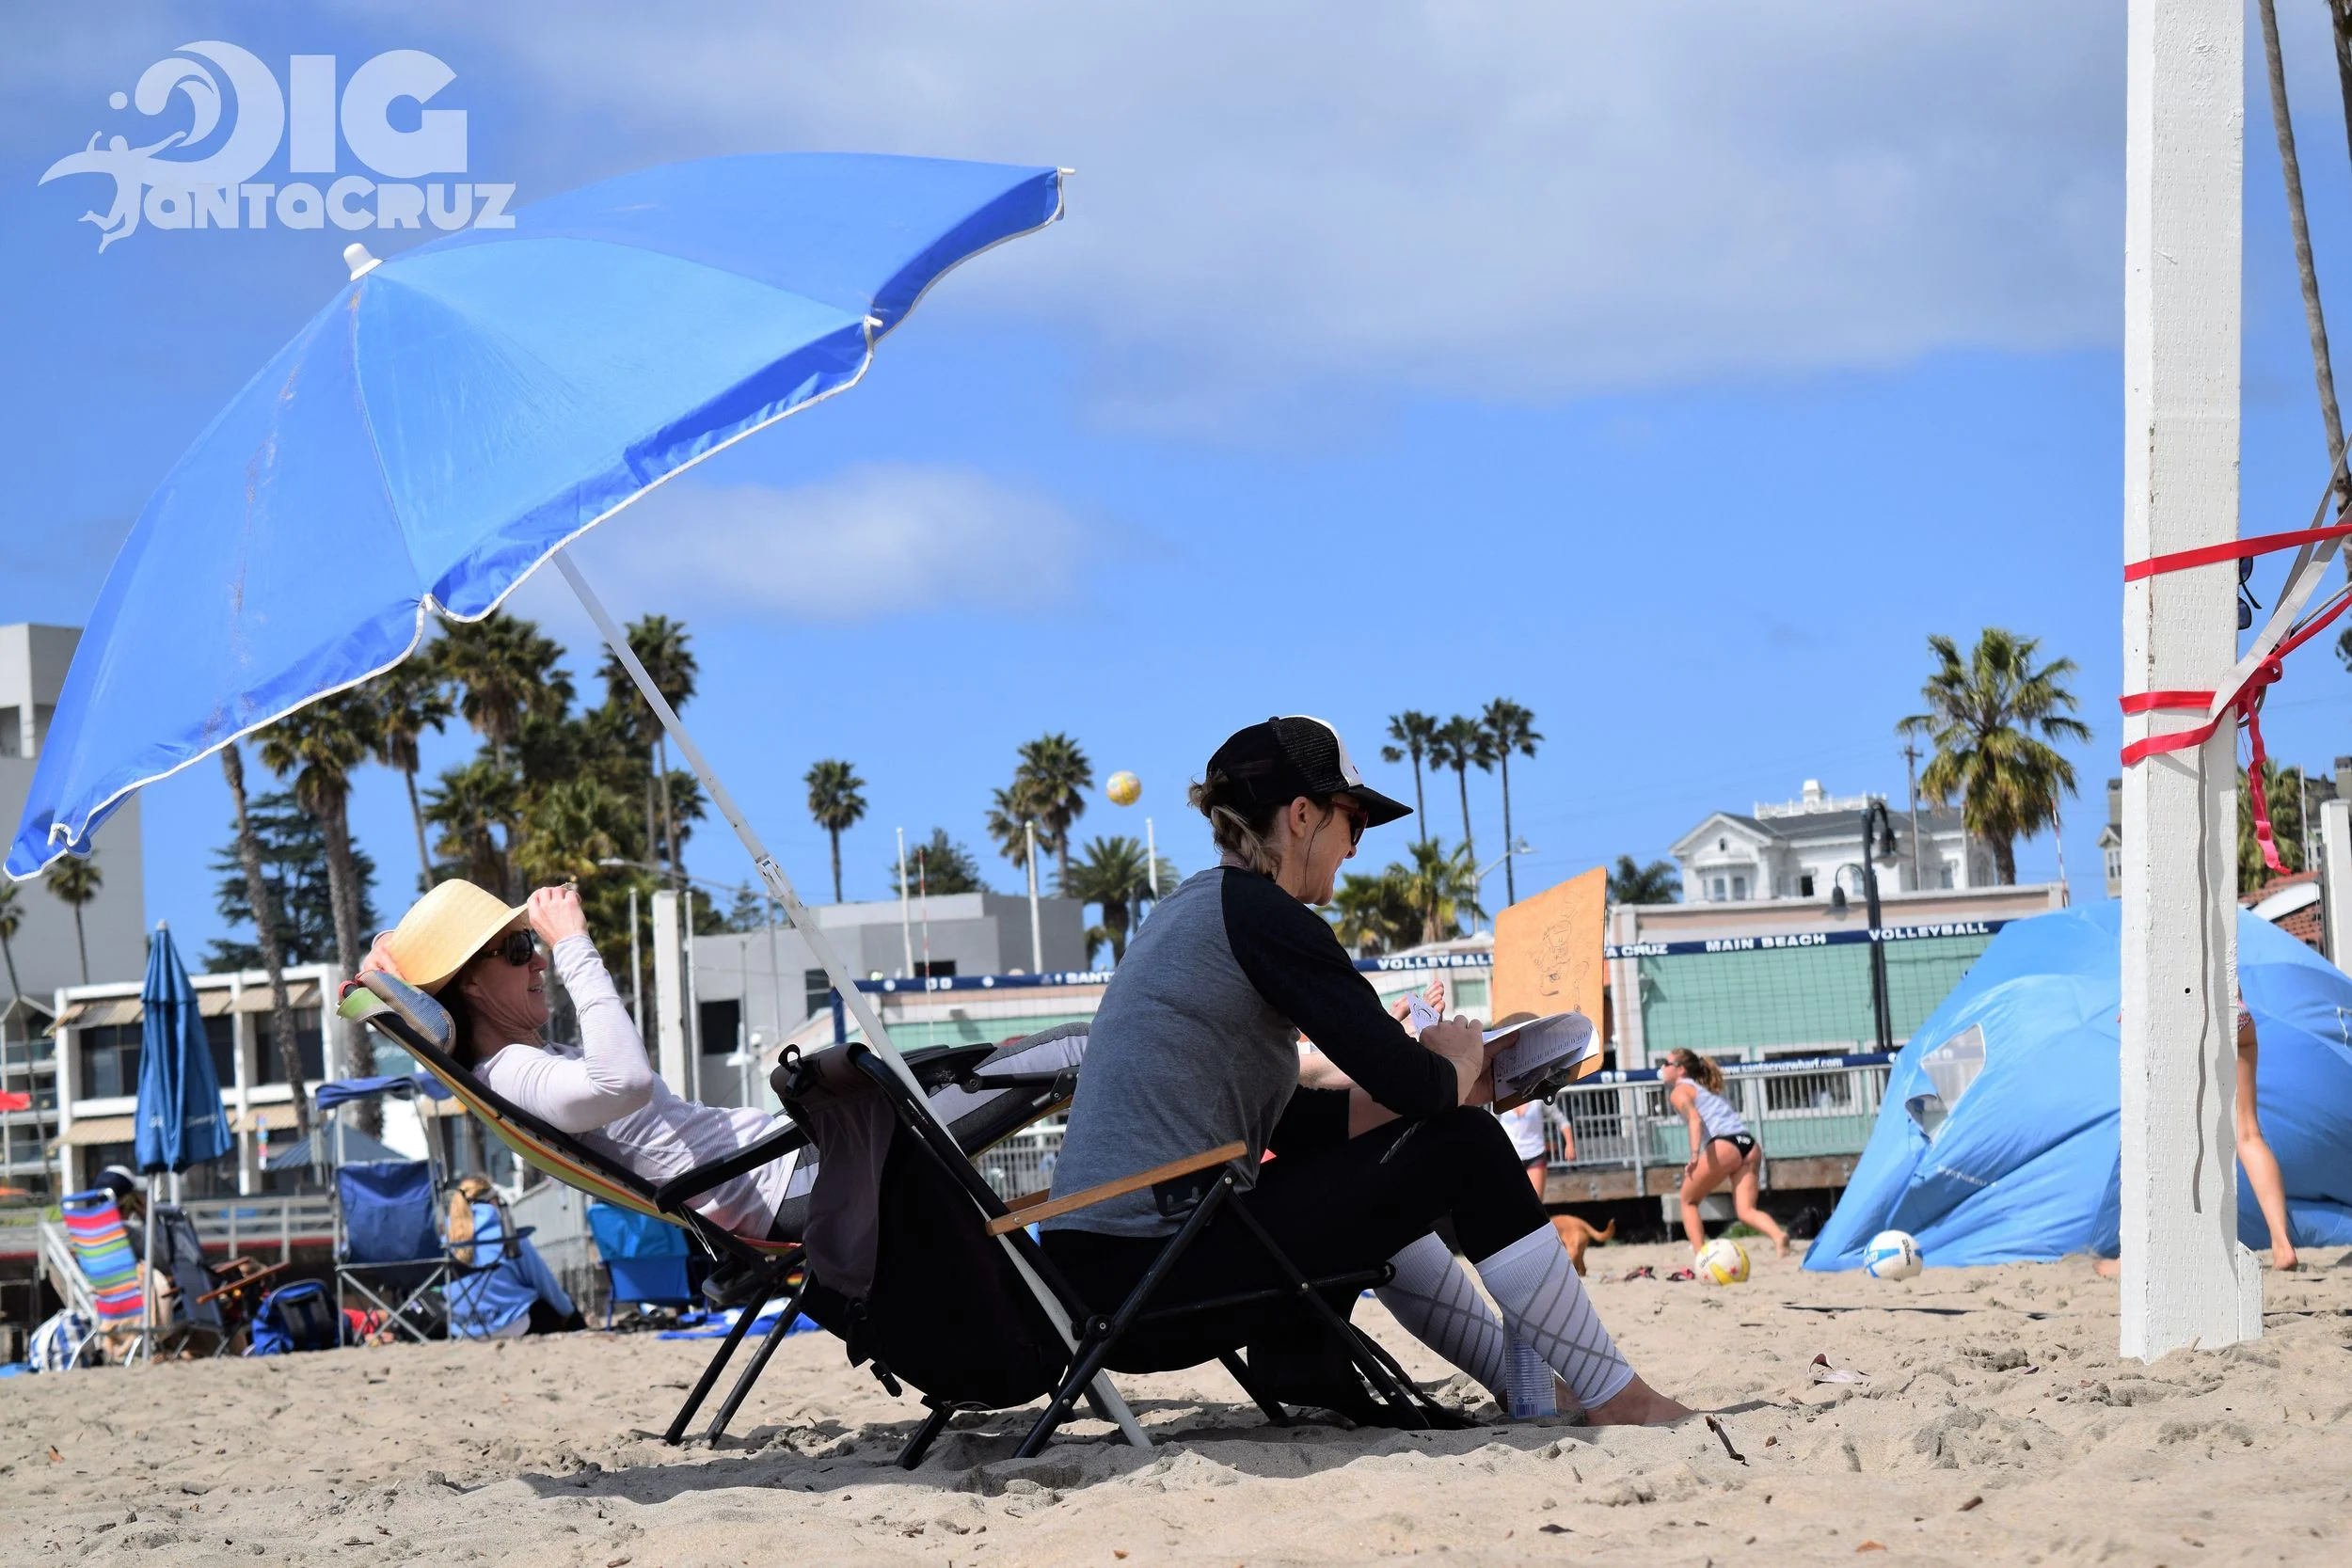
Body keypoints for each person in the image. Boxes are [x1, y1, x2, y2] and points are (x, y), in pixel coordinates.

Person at [1040, 715, 1688, 1426]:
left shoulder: (1190, 911)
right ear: (1301, 815)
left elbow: (1302, 1120)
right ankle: (1614, 1395)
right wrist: (1465, 1056)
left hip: (1098, 1273)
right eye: (1353, 821)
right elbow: (1418, 1083)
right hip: (1147, 1282)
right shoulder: (1264, 916)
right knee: (1465, 1145)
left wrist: (1462, 1080)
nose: (1355, 845)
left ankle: (1516, 1380)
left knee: (1396, 1164)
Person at [361, 879, 800, 1242]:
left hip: (786, 1167)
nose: (537, 962)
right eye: (517, 949)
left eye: (532, 943)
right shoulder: (511, 1073)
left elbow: (383, 962)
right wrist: (572, 944)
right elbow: (625, 1081)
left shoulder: (524, 1064)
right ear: (469, 983)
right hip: (784, 1181)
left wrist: (390, 961)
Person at [1661, 1048, 1789, 1259]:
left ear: (1680, 1070)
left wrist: (1694, 1155)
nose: (1662, 1068)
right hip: (1748, 1143)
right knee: (1745, 1210)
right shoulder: (1701, 1088)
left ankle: (1701, 1256)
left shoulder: (1680, 1090)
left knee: (1688, 1201)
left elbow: (1695, 1119)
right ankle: (1778, 1236)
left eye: (1667, 1064)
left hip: (1725, 1144)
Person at [444, 1174, 587, 1338]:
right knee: (555, 1306)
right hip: (512, 1324)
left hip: (465, 1330)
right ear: (493, 1201)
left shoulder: (446, 1243)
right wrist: (570, 1312)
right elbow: (543, 1282)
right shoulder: (507, 1236)